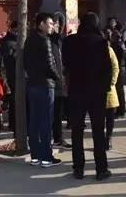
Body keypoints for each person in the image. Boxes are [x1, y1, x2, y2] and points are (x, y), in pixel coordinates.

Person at [62, 12, 112, 180]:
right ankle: (101, 169)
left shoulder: (69, 41)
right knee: (98, 131)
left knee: (77, 132)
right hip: (97, 93)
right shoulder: (101, 42)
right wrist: (105, 88)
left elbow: (66, 64)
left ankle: (78, 168)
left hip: (76, 91)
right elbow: (108, 69)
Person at [24, 13, 61, 168]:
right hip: (45, 85)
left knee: (34, 121)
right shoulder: (44, 41)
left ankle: (35, 157)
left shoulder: (28, 40)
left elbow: (25, 63)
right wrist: (58, 77)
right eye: (50, 23)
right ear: (41, 24)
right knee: (46, 122)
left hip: (32, 84)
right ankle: (46, 158)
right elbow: (50, 64)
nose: (52, 26)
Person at [50, 12, 71, 149]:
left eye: (60, 24)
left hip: (62, 81)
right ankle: (56, 138)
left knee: (59, 111)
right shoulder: (48, 41)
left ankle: (58, 138)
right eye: (56, 23)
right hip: (52, 82)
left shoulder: (61, 41)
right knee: (54, 113)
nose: (59, 27)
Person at [0, 21, 18, 133]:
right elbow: (7, 60)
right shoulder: (8, 42)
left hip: (17, 75)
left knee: (15, 100)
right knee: (14, 100)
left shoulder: (18, 40)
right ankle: (13, 123)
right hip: (12, 75)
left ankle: (14, 123)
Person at [104, 29, 120, 151]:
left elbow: (115, 66)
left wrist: (112, 81)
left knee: (110, 116)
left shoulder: (109, 50)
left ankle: (108, 137)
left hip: (109, 88)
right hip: (95, 89)